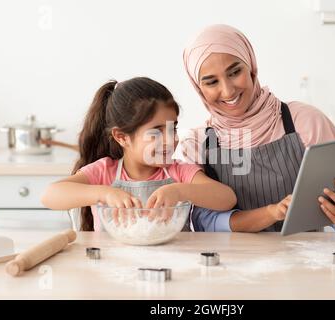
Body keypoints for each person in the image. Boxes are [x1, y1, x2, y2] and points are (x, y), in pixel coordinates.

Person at [181, 24, 335, 233]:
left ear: (251, 67)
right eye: (211, 82)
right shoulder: (198, 143)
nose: (227, 91)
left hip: (307, 260)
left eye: (235, 72)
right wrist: (270, 213)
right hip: (230, 263)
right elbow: (202, 221)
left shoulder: (305, 121)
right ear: (198, 89)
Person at [41, 77, 237, 231]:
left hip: (174, 269)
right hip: (113, 271)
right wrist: (104, 193)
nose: (171, 140)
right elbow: (50, 195)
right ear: (122, 137)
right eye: (156, 131)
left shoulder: (179, 172)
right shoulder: (103, 172)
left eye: (172, 128)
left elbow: (226, 198)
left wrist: (180, 191)